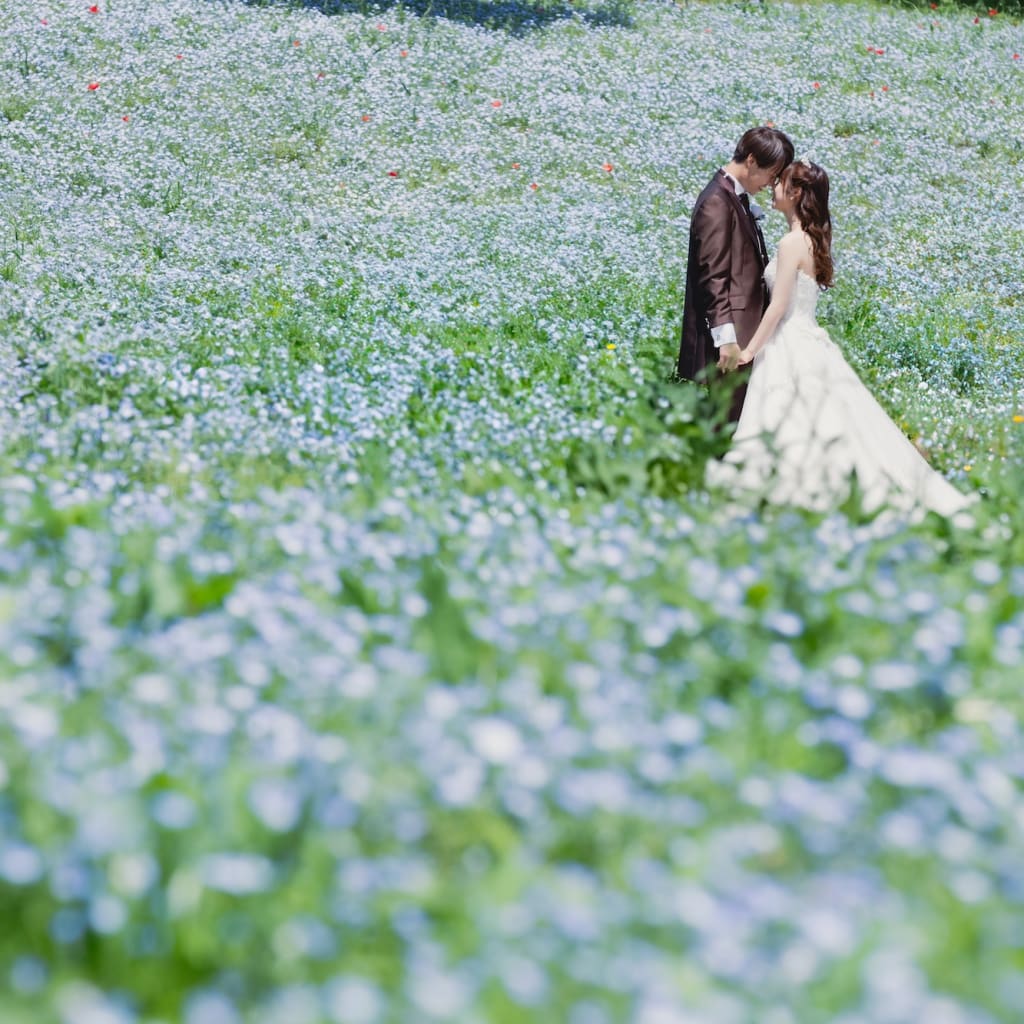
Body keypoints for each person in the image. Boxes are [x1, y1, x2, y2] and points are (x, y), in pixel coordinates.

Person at [708, 159, 974, 517]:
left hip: (788, 340)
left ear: (796, 193)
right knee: (823, 420)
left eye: (780, 184)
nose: (773, 188)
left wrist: (749, 350)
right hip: (809, 338)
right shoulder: (811, 240)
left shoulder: (791, 243)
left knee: (787, 417)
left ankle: (789, 492)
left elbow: (778, 307)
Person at [676, 126, 795, 423]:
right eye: (772, 173)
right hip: (733, 340)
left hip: (746, 334)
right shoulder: (717, 201)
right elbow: (713, 277)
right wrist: (726, 339)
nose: (771, 183)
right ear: (752, 160)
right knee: (728, 425)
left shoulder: (732, 197)